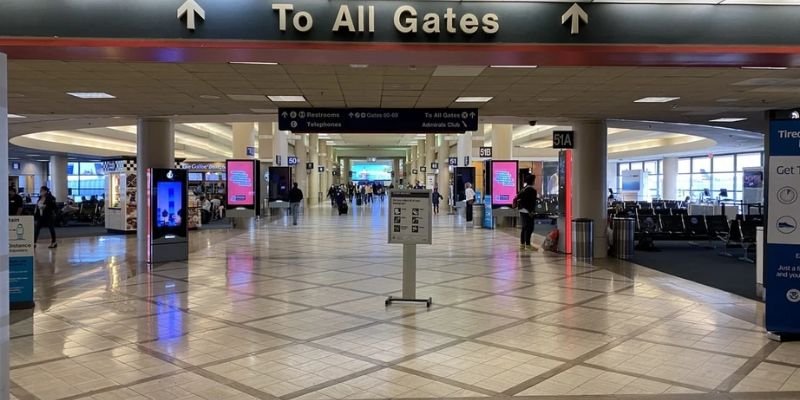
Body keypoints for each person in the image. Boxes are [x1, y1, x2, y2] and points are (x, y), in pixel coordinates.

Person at [515, 175, 538, 250]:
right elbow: (531, 202)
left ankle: (522, 244)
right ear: (532, 181)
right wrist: (531, 211)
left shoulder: (524, 189)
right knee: (530, 227)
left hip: (522, 210)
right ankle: (528, 244)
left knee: (524, 227)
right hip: (528, 211)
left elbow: (518, 197)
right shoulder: (532, 190)